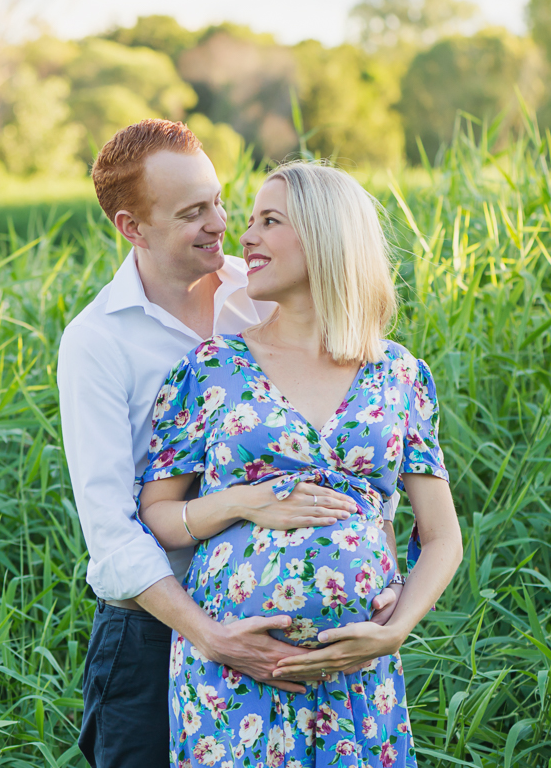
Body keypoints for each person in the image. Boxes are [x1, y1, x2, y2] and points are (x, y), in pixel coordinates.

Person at [57, 122, 403, 768]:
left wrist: (372, 552)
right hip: (156, 627)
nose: (221, 223)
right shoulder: (98, 342)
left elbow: (351, 431)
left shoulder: (267, 289)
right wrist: (214, 638)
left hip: (302, 634)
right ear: (133, 227)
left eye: (219, 200)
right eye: (193, 213)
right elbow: (112, 534)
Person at [138, 161, 463, 767]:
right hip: (233, 679)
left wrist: (394, 632)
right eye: (251, 220)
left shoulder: (399, 374)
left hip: (357, 676)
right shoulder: (209, 368)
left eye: (269, 221)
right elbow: (157, 513)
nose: (245, 236)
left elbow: (442, 536)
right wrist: (242, 501)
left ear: (324, 236)